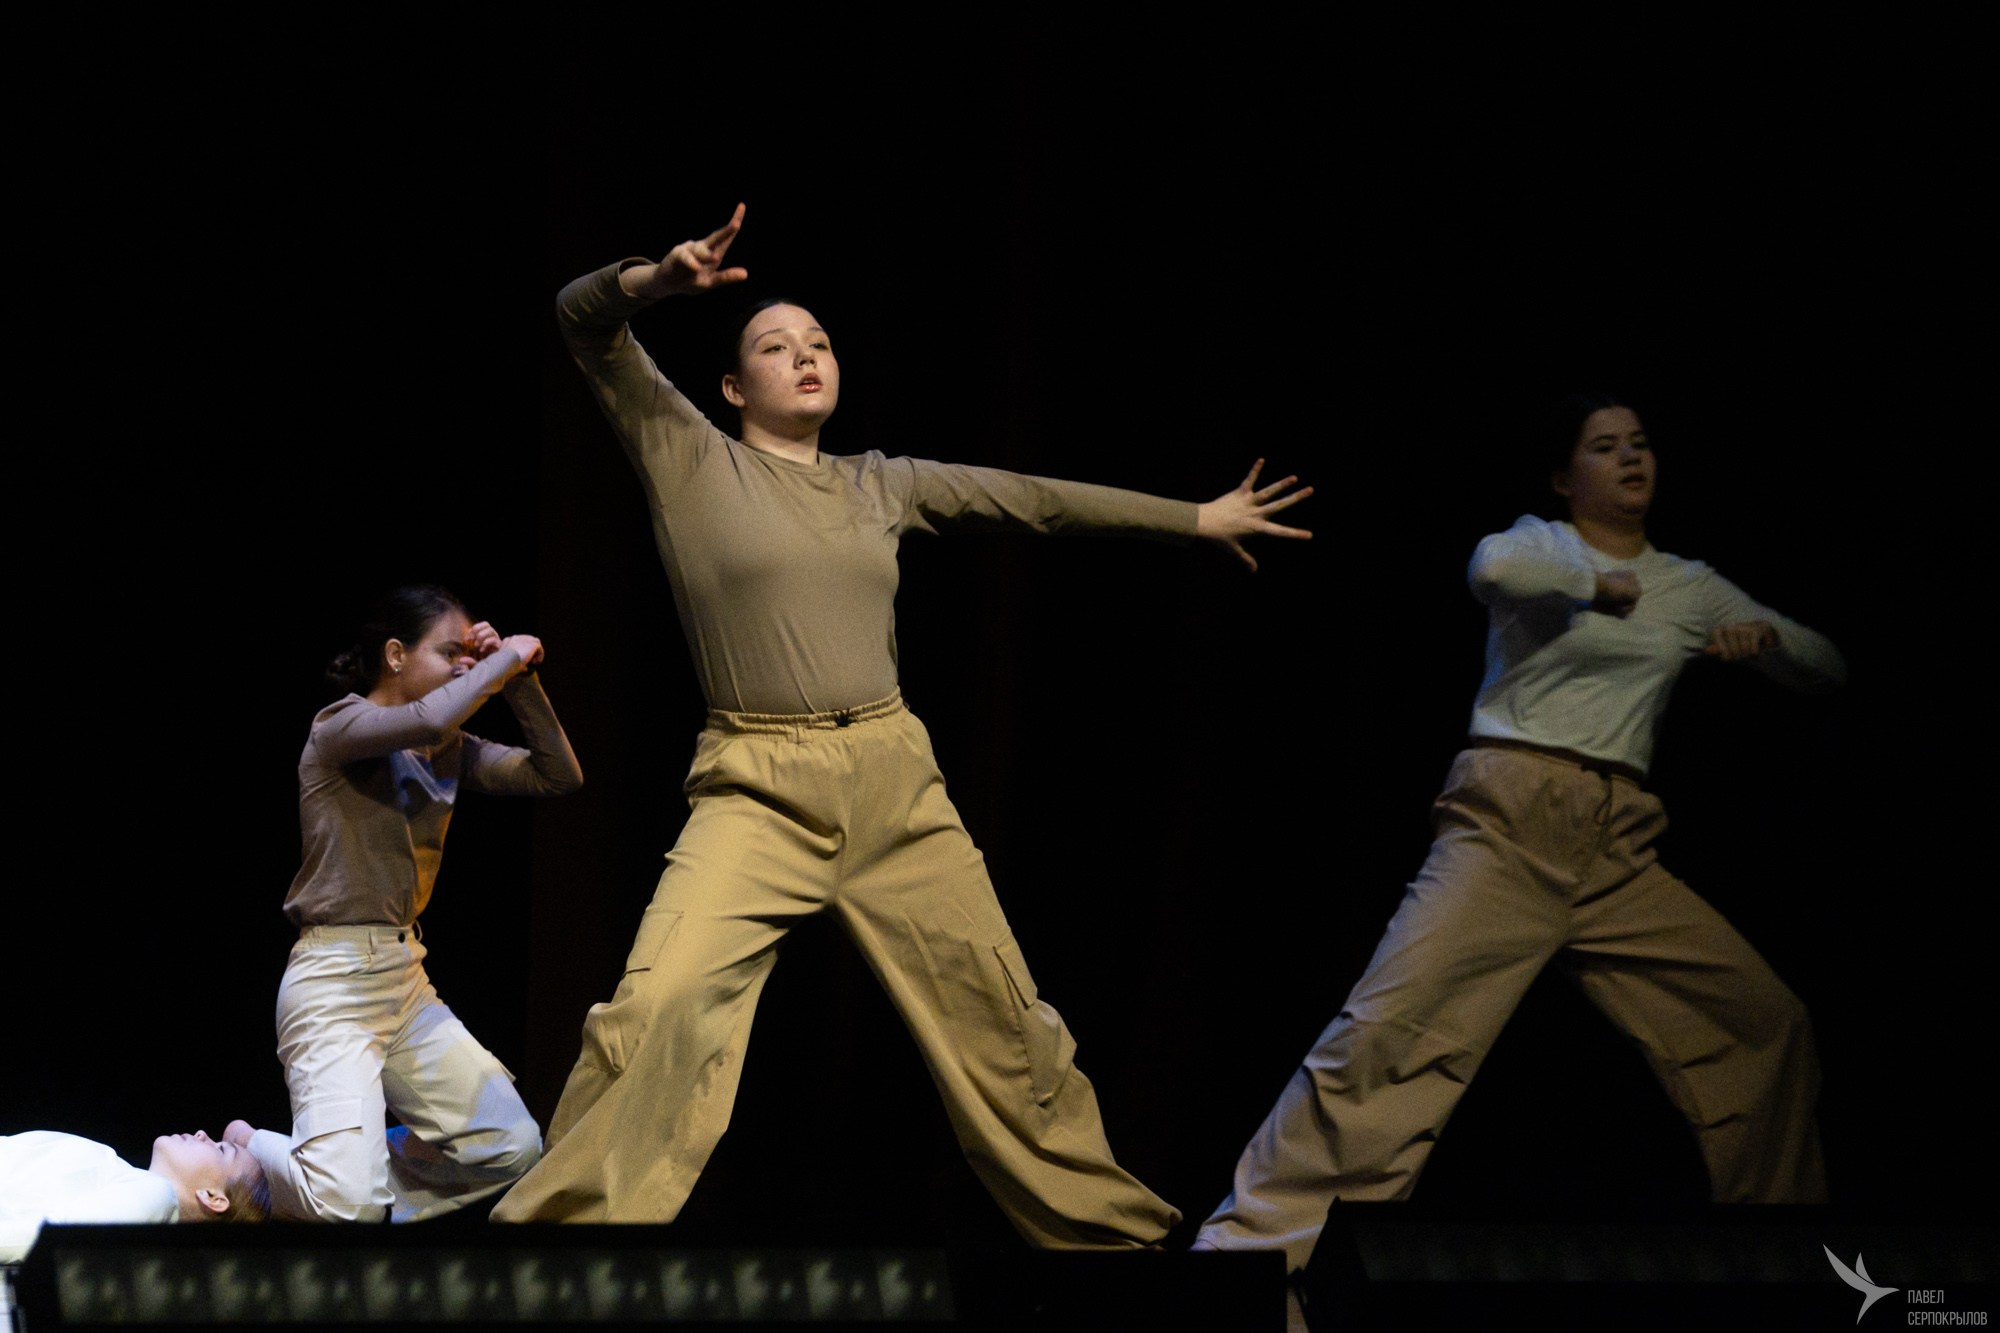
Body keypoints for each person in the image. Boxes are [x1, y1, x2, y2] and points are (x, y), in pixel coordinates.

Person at [491, 204, 1311, 1246]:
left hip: (892, 781)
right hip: (756, 783)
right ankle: (560, 1254)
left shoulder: (880, 483)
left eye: (820, 344)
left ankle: (1122, 1253)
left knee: (1010, 1032)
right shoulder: (689, 456)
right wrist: (655, 279)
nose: (805, 357)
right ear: (734, 387)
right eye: (775, 346)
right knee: (656, 1014)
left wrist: (1194, 519)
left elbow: (1029, 500)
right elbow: (581, 324)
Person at [1194, 393, 1845, 1279]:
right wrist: (1592, 583)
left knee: (1765, 1024)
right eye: (1605, 446)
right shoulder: (1547, 543)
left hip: (1617, 848)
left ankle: (1787, 1266)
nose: (1629, 459)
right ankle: (1244, 1265)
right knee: (1385, 1038)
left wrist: (1767, 642)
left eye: (1641, 444)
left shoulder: (1688, 585)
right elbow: (1490, 569)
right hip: (1510, 823)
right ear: (1563, 474)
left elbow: (1828, 664)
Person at [230, 587, 583, 1223]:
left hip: (404, 978)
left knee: (511, 1148)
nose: (463, 666)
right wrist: (503, 663)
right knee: (348, 1206)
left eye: (466, 656)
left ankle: (350, 1177)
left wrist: (519, 675)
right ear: (395, 655)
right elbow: (424, 719)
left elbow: (558, 776)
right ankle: (254, 1152)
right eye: (449, 652)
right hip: (332, 978)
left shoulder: (446, 746)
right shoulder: (339, 725)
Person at [1, 1129, 269, 1261]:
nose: (202, 1134)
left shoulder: (157, 1193)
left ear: (213, 1197)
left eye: (222, 1150)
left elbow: (49, 1240)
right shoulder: (134, 1183)